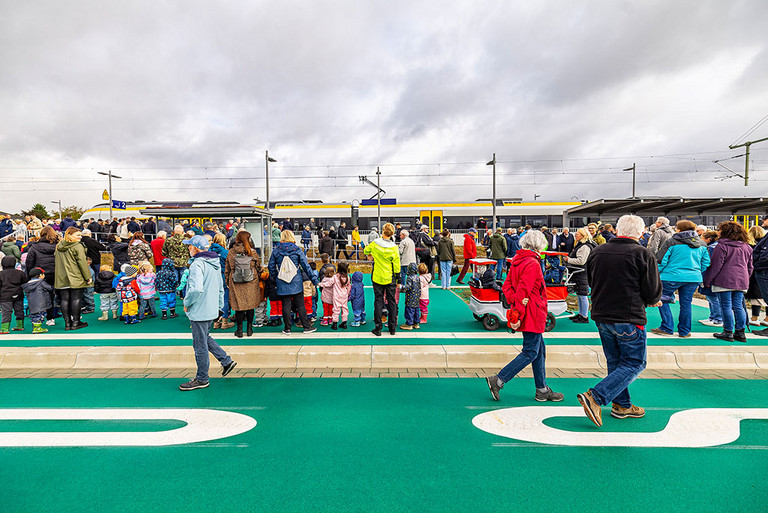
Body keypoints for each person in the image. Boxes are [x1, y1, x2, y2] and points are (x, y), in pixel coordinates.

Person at [577, 215, 662, 427]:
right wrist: (652, 301)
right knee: (635, 362)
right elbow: (652, 291)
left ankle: (622, 405)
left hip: (602, 314)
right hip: (629, 316)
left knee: (615, 363)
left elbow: (591, 279)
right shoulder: (642, 253)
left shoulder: (597, 251)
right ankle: (596, 396)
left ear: (616, 230)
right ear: (641, 233)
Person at [485, 230, 564, 403]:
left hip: (528, 309)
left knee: (539, 351)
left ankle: (542, 389)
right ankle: (499, 380)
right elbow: (524, 290)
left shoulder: (517, 261)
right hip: (533, 312)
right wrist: (519, 310)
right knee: (530, 352)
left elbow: (507, 286)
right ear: (538, 245)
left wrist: (516, 303)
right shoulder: (533, 263)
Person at [178, 235, 237, 391]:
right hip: (211, 308)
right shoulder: (215, 262)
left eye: (189, 246)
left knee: (199, 344)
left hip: (199, 309)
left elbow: (195, 289)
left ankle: (202, 378)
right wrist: (218, 307)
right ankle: (226, 361)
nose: (188, 248)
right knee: (205, 337)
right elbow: (219, 287)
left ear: (195, 248)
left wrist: (186, 302)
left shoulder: (197, 264)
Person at [651, 220, 710, 338]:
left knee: (662, 299)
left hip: (671, 276)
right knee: (686, 303)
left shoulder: (671, 242)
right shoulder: (702, 244)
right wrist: (697, 271)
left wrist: (657, 274)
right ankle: (684, 331)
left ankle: (667, 327)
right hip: (693, 278)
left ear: (679, 229)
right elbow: (706, 262)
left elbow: (661, 261)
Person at [703, 221, 753, 342]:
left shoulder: (721, 246)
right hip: (741, 280)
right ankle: (740, 332)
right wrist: (746, 278)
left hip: (724, 280)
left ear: (725, 231)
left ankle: (728, 331)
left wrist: (708, 280)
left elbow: (716, 265)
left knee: (726, 306)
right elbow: (750, 266)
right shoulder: (747, 247)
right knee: (738, 306)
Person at [267, 230, 318, 335]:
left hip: (282, 280)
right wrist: (314, 280)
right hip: (296, 281)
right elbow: (306, 266)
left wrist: (275, 278)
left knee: (286, 305)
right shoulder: (297, 249)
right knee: (300, 304)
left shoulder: (276, 250)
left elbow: (271, 266)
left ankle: (287, 328)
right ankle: (306, 327)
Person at [365, 222, 401, 336]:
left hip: (377, 276)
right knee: (392, 302)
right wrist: (398, 278)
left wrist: (370, 255)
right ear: (392, 233)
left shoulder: (375, 244)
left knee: (378, 301)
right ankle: (392, 327)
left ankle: (378, 327)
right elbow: (397, 265)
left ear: (382, 231)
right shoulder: (394, 248)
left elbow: (366, 250)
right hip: (390, 277)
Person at [225, 230, 263, 338]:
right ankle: (249, 329)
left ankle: (239, 330)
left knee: (239, 306)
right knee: (250, 306)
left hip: (236, 282)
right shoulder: (252, 252)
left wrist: (228, 280)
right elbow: (258, 266)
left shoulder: (231, 252)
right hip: (251, 281)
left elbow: (227, 268)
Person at [54, 227, 93, 330]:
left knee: (64, 299)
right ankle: (76, 322)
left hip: (61, 276)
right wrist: (88, 277)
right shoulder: (77, 246)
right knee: (76, 298)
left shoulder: (58, 246)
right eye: (78, 235)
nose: (80, 237)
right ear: (70, 235)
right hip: (75, 275)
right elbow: (82, 263)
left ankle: (67, 323)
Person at [25, 226, 59, 325]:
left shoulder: (34, 247)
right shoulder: (58, 246)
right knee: (59, 295)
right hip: (56, 273)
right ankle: (58, 316)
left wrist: (30, 276)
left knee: (40, 296)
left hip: (41, 274)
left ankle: (44, 317)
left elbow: (29, 262)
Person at [563, 227, 595, 323]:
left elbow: (581, 261)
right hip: (579, 273)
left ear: (582, 236)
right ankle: (581, 314)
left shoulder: (584, 246)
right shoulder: (581, 245)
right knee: (580, 294)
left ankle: (584, 316)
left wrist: (569, 260)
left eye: (577, 234)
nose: (575, 235)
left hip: (581, 273)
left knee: (583, 294)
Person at [698, 230, 723, 328]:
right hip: (713, 275)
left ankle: (718, 318)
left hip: (710, 275)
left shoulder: (711, 249)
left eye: (703, 238)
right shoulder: (713, 247)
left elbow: (709, 263)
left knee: (713, 297)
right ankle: (713, 316)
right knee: (711, 297)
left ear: (708, 239)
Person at [0, 255, 28, 333]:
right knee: (19, 310)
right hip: (18, 294)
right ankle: (20, 326)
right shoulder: (20, 273)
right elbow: (25, 283)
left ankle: (5, 328)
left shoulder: (1, 274)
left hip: (5, 296)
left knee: (6, 312)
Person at [746, 226, 767, 326]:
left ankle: (755, 318)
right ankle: (767, 319)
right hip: (764, 271)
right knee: (764, 297)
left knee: (756, 297)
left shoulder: (749, 246)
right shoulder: (764, 242)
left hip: (754, 273)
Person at [21, 268, 53, 334]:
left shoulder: (28, 284)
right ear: (39, 275)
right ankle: (37, 328)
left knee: (35, 316)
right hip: (41, 303)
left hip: (32, 304)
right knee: (40, 316)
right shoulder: (41, 282)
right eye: (43, 274)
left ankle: (35, 327)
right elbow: (49, 288)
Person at [328, 261, 351, 329]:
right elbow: (349, 286)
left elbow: (329, 283)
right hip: (344, 295)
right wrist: (348, 293)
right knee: (345, 308)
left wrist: (321, 284)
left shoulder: (335, 277)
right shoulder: (348, 277)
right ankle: (344, 323)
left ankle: (335, 324)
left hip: (337, 296)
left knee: (336, 309)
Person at [400, 263, 421, 330]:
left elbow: (408, 287)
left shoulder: (409, 278)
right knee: (416, 310)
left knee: (409, 310)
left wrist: (402, 287)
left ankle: (409, 324)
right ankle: (416, 323)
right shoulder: (417, 277)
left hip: (410, 297)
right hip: (417, 297)